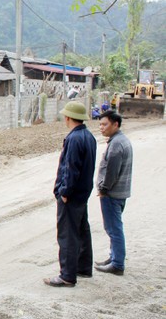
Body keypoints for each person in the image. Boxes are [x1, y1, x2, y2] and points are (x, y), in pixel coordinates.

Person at [44, 101, 97, 287]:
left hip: (72, 195)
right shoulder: (89, 136)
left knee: (67, 234)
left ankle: (67, 275)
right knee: (82, 230)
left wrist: (65, 191)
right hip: (83, 194)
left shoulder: (74, 139)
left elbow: (71, 168)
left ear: (68, 117)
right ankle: (83, 267)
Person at [95, 110, 133, 276]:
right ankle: (113, 257)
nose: (101, 128)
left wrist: (103, 189)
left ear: (115, 124)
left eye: (105, 124)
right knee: (114, 227)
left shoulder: (117, 144)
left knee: (113, 228)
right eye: (100, 125)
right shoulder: (121, 140)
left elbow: (111, 172)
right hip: (120, 193)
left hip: (112, 194)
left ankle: (117, 264)